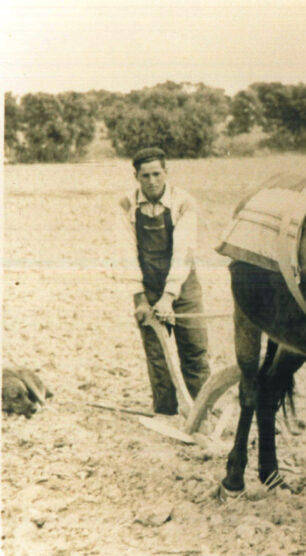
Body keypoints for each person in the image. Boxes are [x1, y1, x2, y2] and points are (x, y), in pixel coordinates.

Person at [117, 147, 210, 415]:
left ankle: (200, 412)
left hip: (184, 287)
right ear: (136, 176)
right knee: (157, 356)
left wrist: (169, 297)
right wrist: (140, 299)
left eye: (157, 174)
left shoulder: (184, 202)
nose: (152, 181)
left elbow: (183, 252)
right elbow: (126, 254)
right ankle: (166, 413)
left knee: (194, 350)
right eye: (145, 176)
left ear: (166, 173)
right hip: (149, 286)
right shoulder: (126, 205)